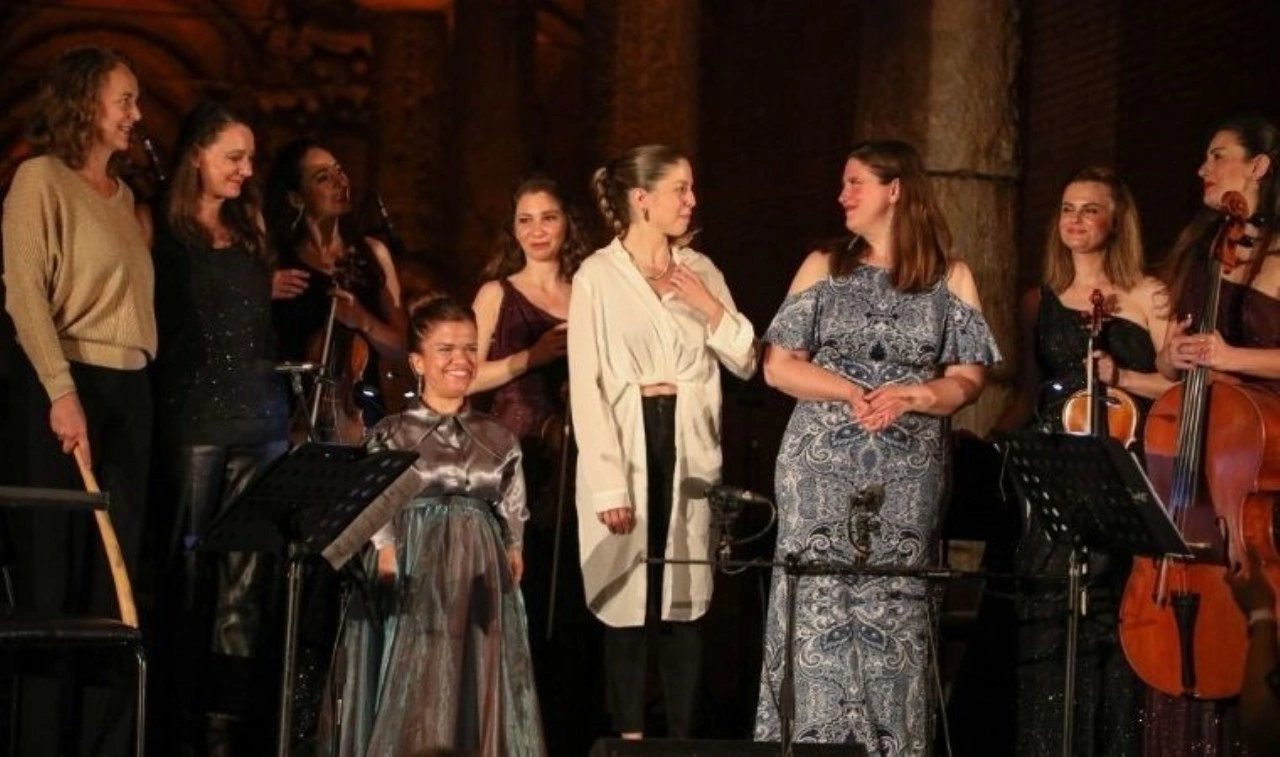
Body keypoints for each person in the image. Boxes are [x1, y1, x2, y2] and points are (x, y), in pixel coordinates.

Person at [753, 139, 1000, 754]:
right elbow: (779, 366)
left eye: (855, 182)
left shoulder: (950, 276)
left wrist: (919, 394)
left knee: (897, 613)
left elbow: (969, 379)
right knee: (816, 608)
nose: (843, 195)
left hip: (907, 472)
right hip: (821, 469)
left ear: (895, 189)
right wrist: (850, 391)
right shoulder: (824, 266)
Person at [571, 144, 757, 740]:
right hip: (629, 439)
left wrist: (706, 306)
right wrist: (607, 483)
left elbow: (746, 359)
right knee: (627, 594)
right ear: (641, 199)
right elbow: (587, 386)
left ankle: (680, 741)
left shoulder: (700, 270)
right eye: (680, 189)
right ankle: (628, 736)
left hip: (687, 438)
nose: (692, 200)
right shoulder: (597, 277)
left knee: (684, 593)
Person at [1, 45, 154, 756]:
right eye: (125, 100)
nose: (136, 114)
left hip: (129, 391)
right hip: (65, 386)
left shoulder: (122, 199)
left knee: (112, 594)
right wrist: (61, 391)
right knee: (55, 586)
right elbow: (24, 293)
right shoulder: (40, 178)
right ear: (88, 103)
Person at [989, 166, 1171, 756]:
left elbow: (1176, 388)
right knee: (1050, 609)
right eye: (1068, 208)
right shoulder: (1037, 301)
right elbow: (1029, 393)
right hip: (1055, 471)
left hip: (1121, 466)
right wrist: (995, 443)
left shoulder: (1150, 295)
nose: (1075, 219)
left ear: (1117, 221)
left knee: (1112, 613)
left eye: (1090, 209)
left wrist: (1124, 377)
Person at [322, 295, 544, 756]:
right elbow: (374, 503)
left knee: (471, 672)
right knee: (417, 671)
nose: (461, 359)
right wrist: (387, 553)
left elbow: (512, 501)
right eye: (446, 349)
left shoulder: (498, 436)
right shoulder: (393, 431)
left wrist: (514, 545)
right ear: (418, 362)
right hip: (413, 560)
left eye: (469, 348)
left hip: (478, 566)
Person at [150, 100, 290, 754]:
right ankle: (172, 726)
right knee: (186, 577)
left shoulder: (250, 226)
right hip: (194, 421)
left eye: (251, 158)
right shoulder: (161, 227)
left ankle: (223, 734)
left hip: (260, 422)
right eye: (234, 157)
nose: (246, 169)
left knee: (245, 590)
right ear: (197, 155)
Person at [1144, 115, 1280, 756]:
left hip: (1261, 458)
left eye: (1218, 155)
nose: (1204, 169)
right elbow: (1174, 365)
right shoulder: (1206, 254)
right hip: (1207, 464)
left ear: (1259, 166)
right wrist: (1172, 355)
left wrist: (1232, 357)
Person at [469, 174, 600, 754]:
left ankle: (568, 731)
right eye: (525, 219)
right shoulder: (496, 293)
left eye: (548, 217)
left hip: (577, 461)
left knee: (571, 599)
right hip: (516, 462)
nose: (537, 230)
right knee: (521, 594)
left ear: (567, 222)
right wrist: (531, 356)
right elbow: (465, 375)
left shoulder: (589, 291)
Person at [265, 137, 408, 443]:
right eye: (322, 177)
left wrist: (364, 321)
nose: (339, 181)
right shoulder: (275, 259)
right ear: (296, 198)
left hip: (358, 411)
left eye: (340, 171)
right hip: (290, 412)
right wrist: (260, 290)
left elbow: (401, 347)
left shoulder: (373, 253)